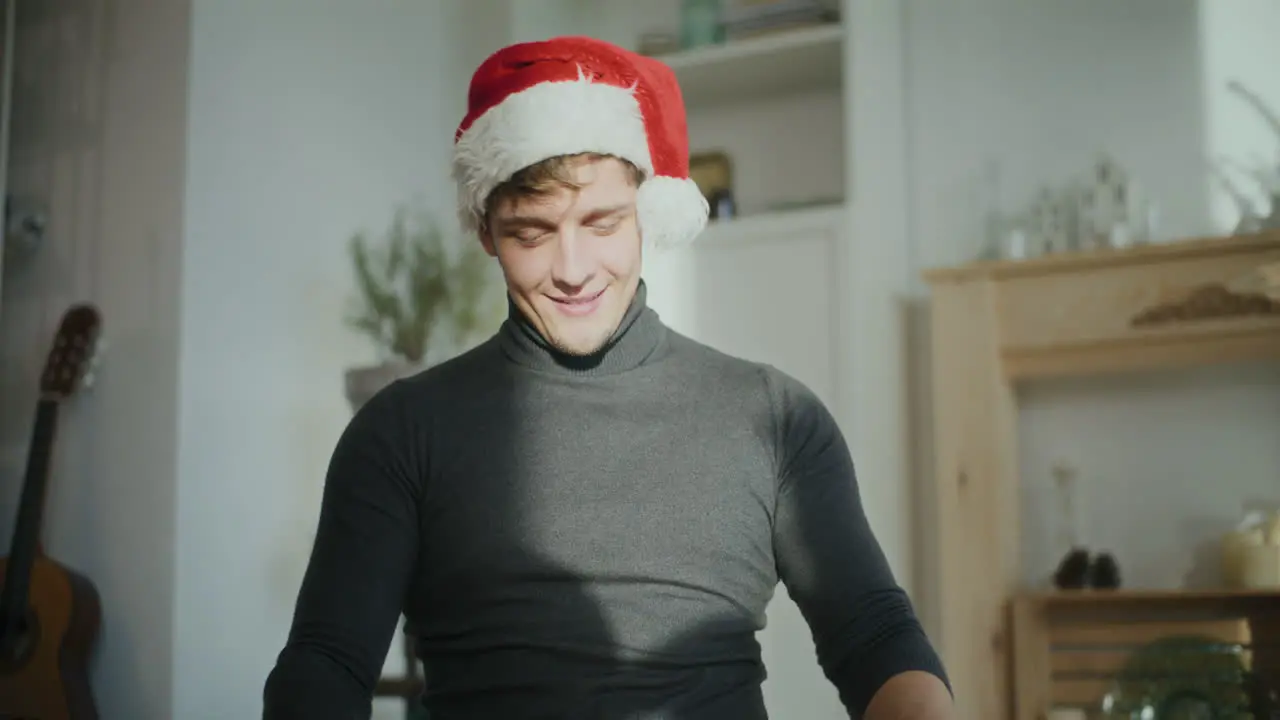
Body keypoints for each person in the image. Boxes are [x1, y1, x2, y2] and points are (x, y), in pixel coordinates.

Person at [264, 35, 952, 719]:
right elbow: (327, 662)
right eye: (532, 233)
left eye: (602, 223)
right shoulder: (401, 432)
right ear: (485, 232)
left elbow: (874, 637)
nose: (572, 268)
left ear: (645, 210)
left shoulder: (774, 418)